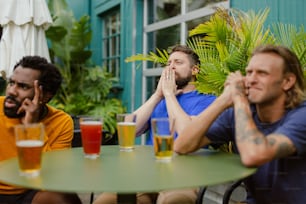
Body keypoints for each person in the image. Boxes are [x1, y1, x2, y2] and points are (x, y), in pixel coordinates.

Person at [174, 45, 306, 204]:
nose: (251, 79)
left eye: (262, 73)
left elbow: (253, 155)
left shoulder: (301, 116)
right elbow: (182, 145)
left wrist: (239, 101)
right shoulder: (238, 113)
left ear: (287, 81)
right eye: (249, 72)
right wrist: (222, 100)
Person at [93, 45, 216, 204]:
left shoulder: (206, 100)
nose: (171, 66)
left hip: (183, 176)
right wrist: (158, 95)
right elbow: (129, 130)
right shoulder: (160, 99)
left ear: (194, 70)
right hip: (147, 173)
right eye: (168, 63)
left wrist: (169, 95)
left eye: (178, 62)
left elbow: (187, 133)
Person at [0, 56, 82, 204]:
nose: (12, 91)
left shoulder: (61, 122)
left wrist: (31, 127)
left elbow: (55, 175)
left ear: (44, 95)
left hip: (31, 192)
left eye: (23, 86)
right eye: (11, 83)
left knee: (64, 198)